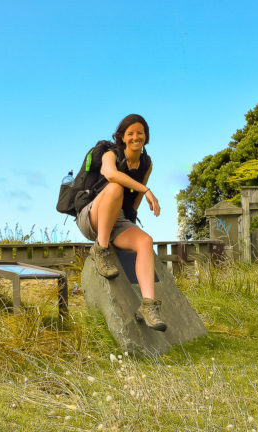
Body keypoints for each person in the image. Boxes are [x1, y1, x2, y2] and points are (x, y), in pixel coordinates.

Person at [75, 114, 166, 331]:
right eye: (131, 133)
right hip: (91, 216)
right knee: (115, 187)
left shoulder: (146, 163)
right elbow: (110, 174)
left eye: (140, 133)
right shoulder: (110, 153)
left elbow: (134, 203)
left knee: (145, 241)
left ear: (146, 136)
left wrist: (132, 224)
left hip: (118, 220)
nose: (136, 137)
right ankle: (101, 249)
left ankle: (148, 305)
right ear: (123, 137)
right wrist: (147, 190)